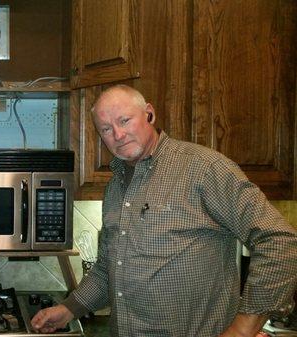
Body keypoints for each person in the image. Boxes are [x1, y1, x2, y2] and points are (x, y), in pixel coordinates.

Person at [31, 85, 297, 336]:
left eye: (124, 121)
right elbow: (109, 267)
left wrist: (242, 329)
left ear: (149, 113)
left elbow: (279, 241)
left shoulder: (204, 168)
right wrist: (69, 309)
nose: (118, 135)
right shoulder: (115, 185)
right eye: (106, 129)